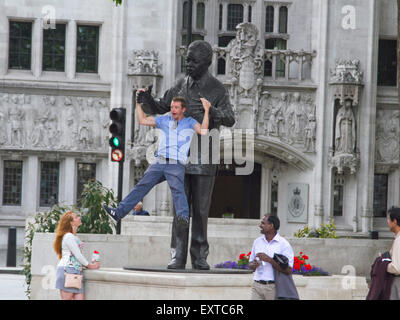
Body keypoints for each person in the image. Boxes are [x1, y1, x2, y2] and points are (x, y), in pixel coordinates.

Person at [137, 40, 235, 270]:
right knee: (180, 208)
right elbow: (162, 107)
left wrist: (209, 111)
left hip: (204, 156)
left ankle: (199, 255)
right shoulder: (180, 84)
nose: (188, 64)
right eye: (187, 59)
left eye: (194, 60)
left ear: (207, 63)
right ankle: (177, 255)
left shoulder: (217, 89)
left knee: (200, 210)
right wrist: (146, 101)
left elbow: (230, 118)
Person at [103, 96, 210, 228]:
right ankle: (118, 212)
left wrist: (206, 110)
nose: (173, 110)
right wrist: (138, 104)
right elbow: (142, 120)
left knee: (177, 189)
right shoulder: (165, 119)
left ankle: (183, 217)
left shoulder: (189, 122)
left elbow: (204, 131)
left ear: (183, 109)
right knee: (141, 186)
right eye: (172, 107)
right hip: (159, 161)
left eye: (176, 107)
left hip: (175, 163)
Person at [53, 211, 100, 300]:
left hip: (76, 271)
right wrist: (90, 266)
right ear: (71, 222)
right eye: (76, 217)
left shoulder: (74, 237)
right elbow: (78, 255)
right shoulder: (68, 236)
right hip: (68, 270)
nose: (79, 218)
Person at [248, 214, 294, 300]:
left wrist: (270, 260)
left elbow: (288, 270)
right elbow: (250, 264)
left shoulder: (284, 245)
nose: (260, 225)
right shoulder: (257, 242)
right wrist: (253, 264)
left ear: (271, 226)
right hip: (256, 286)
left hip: (273, 288)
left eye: (263, 223)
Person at [386, 206, 400, 300]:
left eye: (388, 219)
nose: (387, 222)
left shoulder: (399, 240)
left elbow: (396, 267)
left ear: (394, 221)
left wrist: (384, 265)